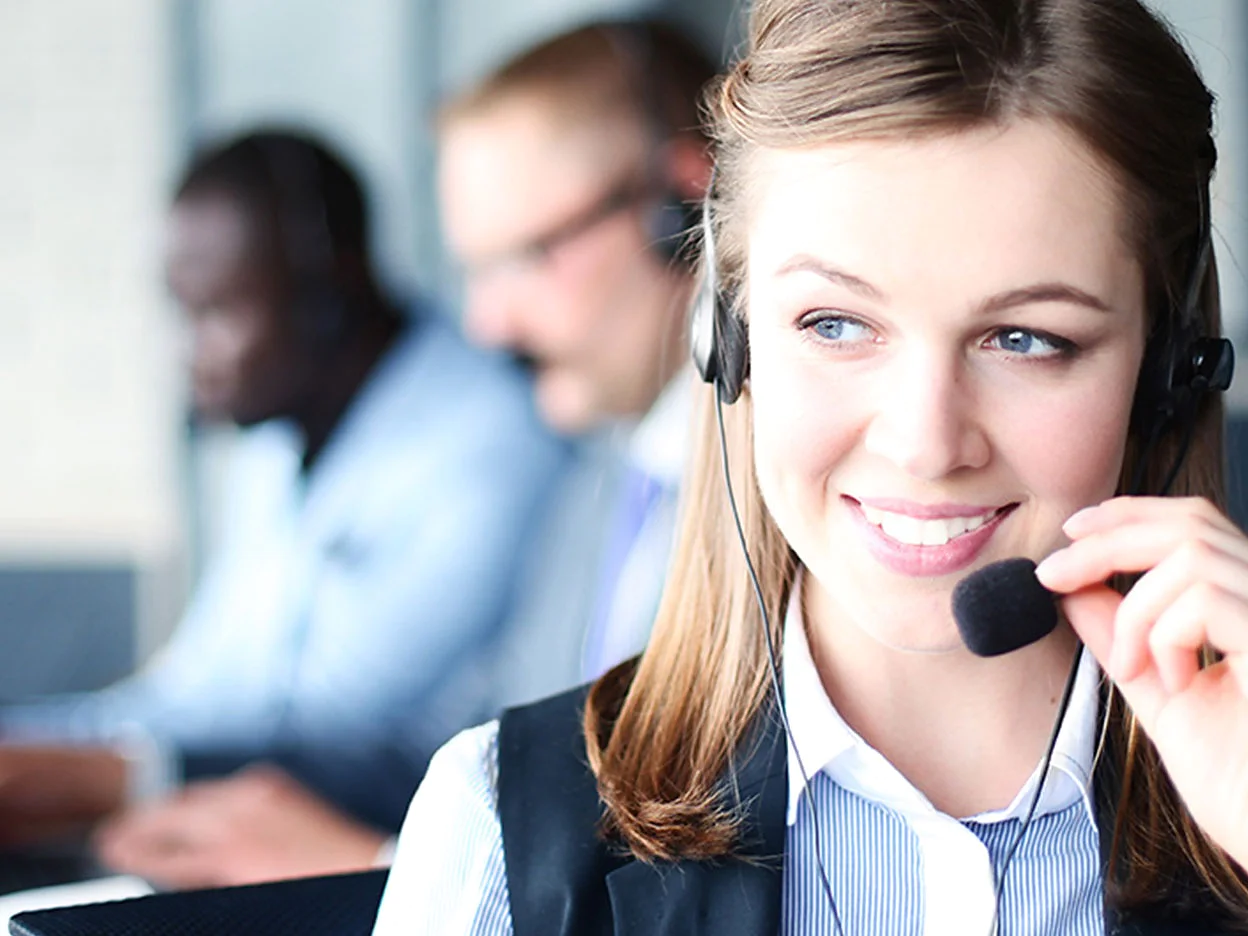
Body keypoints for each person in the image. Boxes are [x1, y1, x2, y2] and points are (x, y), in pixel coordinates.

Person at [372, 0, 1248, 933]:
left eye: (1024, 338)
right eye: (837, 325)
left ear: (1167, 370)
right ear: (729, 341)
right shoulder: (501, 825)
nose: (925, 442)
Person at [81, 21, 718, 890]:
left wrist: (375, 866)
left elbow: (699, 869)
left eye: (524, 258)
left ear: (680, 206)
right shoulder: (603, 483)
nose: (488, 325)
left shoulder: (786, 500)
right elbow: (492, 752)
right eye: (473, 273)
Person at [0, 130, 566, 859]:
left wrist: (98, 774)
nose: (191, 355)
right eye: (184, 313)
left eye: (218, 315)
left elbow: (342, 735)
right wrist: (25, 741)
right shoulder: (277, 440)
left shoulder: (493, 438)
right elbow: (196, 688)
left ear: (327, 294)